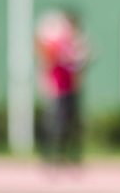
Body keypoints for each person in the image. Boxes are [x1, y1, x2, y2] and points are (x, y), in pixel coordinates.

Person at [36, 10, 89, 164]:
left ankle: (70, 155)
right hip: (57, 88)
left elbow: (80, 63)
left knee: (72, 124)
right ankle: (51, 156)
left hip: (71, 87)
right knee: (55, 122)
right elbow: (47, 61)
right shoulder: (57, 42)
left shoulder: (76, 43)